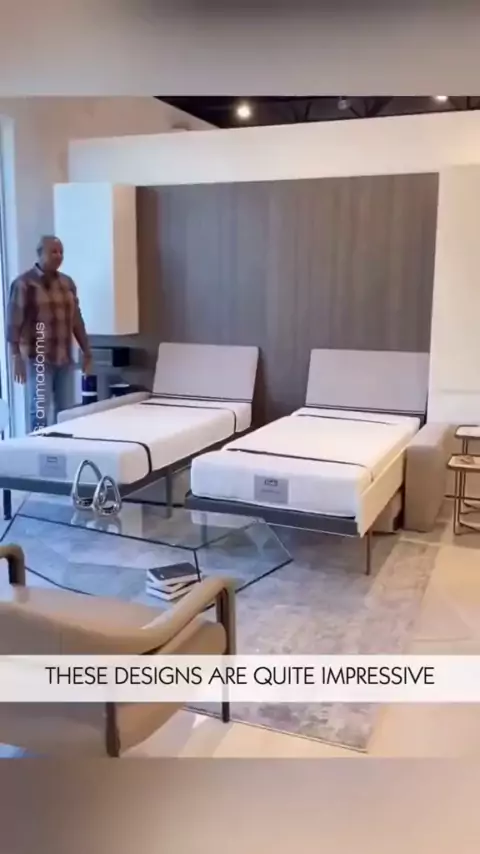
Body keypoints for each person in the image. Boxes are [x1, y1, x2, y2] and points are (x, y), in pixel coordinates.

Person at [6, 235, 93, 432]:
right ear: (40, 254)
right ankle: (37, 447)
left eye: (61, 252)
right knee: (39, 411)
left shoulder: (67, 283)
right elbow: (13, 323)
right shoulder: (24, 284)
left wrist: (87, 350)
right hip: (38, 358)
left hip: (64, 356)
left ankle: (63, 445)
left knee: (66, 411)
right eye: (53, 251)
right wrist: (16, 357)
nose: (58, 256)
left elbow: (76, 319)